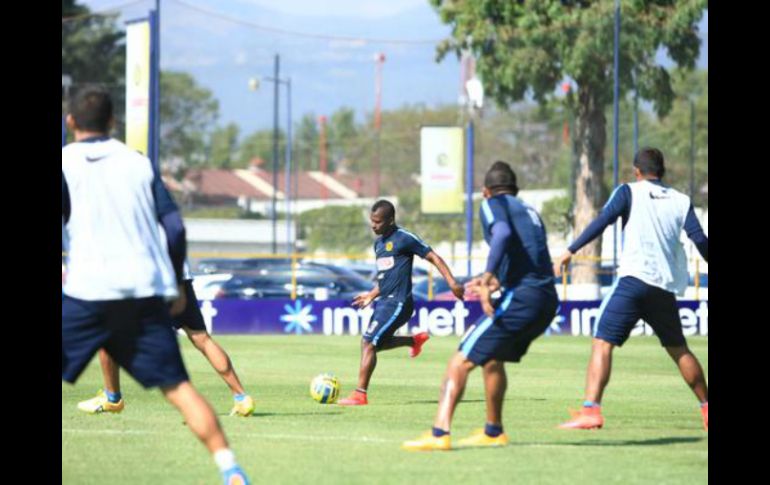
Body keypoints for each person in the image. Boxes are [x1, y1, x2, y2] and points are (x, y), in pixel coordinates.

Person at [61, 87, 250, 484]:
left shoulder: (64, 163)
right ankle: (231, 470)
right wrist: (176, 281)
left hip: (87, 289)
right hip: (143, 289)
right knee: (180, 388)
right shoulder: (138, 164)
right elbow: (175, 226)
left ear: (71, 122)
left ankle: (112, 397)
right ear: (113, 123)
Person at [402, 161, 559, 450]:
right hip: (547, 298)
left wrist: (487, 279)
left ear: (486, 191)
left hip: (522, 298)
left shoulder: (492, 204)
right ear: (516, 189)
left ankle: (439, 433)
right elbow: (529, 262)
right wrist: (495, 281)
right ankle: (493, 430)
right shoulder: (530, 212)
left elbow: (502, 235)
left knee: (459, 361)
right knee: (491, 358)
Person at [555, 147, 708, 431]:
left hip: (633, 282)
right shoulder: (680, 200)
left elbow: (601, 221)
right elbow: (699, 238)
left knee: (602, 342)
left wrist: (570, 251)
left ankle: (591, 411)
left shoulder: (628, 192)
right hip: (662, 289)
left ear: (637, 171)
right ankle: (707, 409)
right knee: (680, 350)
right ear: (662, 171)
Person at [77, 261, 256, 417]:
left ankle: (112, 397)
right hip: (179, 277)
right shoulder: (171, 220)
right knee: (201, 338)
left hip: (147, 279)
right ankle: (241, 397)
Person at [337, 200, 464, 406]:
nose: (373, 225)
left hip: (398, 302)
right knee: (376, 344)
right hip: (384, 302)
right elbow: (387, 277)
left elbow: (434, 257)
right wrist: (371, 295)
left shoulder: (405, 238)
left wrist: (452, 282)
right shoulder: (378, 244)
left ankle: (360, 394)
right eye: (372, 221)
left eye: (378, 222)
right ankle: (413, 341)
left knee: (368, 342)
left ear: (390, 220)